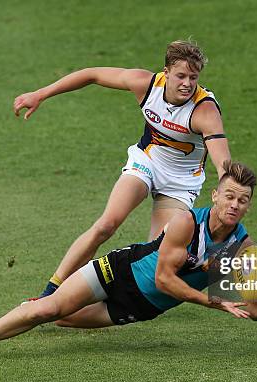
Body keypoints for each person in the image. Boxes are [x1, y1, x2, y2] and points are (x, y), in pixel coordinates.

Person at [0, 161, 257, 365]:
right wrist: (213, 302)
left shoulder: (245, 248)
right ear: (216, 195)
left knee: (60, 317)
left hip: (139, 307)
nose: (235, 204)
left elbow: (253, 309)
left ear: (249, 205)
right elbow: (164, 280)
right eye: (231, 196)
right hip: (118, 273)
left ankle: (34, 308)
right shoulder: (187, 222)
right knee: (44, 311)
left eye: (244, 200)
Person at [13, 40, 232, 299]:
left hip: (181, 183)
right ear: (166, 73)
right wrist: (41, 94)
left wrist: (227, 194)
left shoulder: (204, 111)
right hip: (147, 163)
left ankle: (194, 262)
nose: (187, 83)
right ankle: (50, 293)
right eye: (181, 76)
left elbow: (222, 164)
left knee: (158, 254)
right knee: (106, 225)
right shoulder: (146, 84)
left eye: (193, 77)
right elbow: (91, 75)